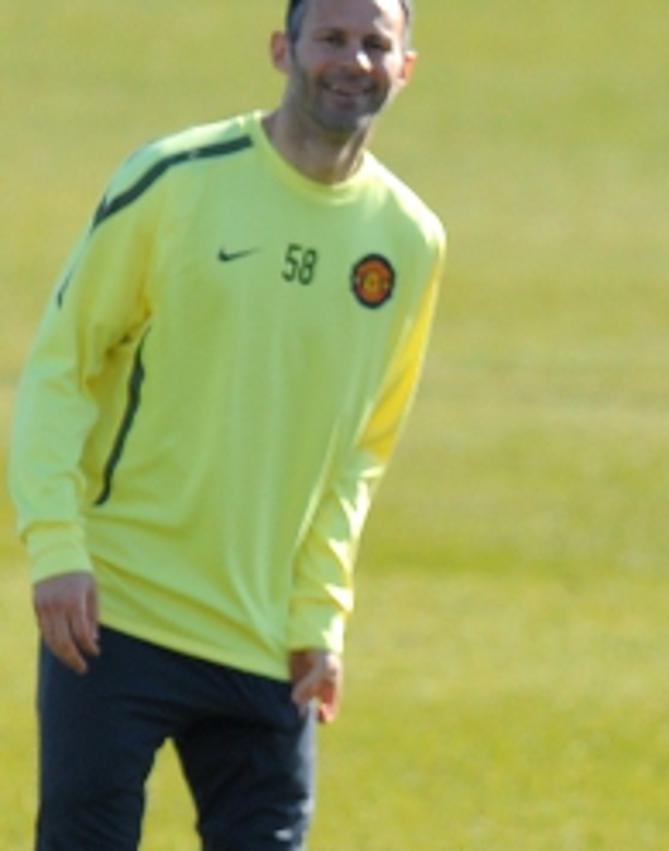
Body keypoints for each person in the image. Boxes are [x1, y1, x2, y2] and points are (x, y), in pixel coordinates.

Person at [9, 0, 444, 847]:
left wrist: (320, 613)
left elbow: (360, 450)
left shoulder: (409, 242)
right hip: (116, 612)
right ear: (283, 48)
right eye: (331, 39)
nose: (351, 61)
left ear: (406, 67)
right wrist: (58, 547)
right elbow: (63, 366)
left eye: (374, 44)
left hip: (264, 638)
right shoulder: (177, 178)